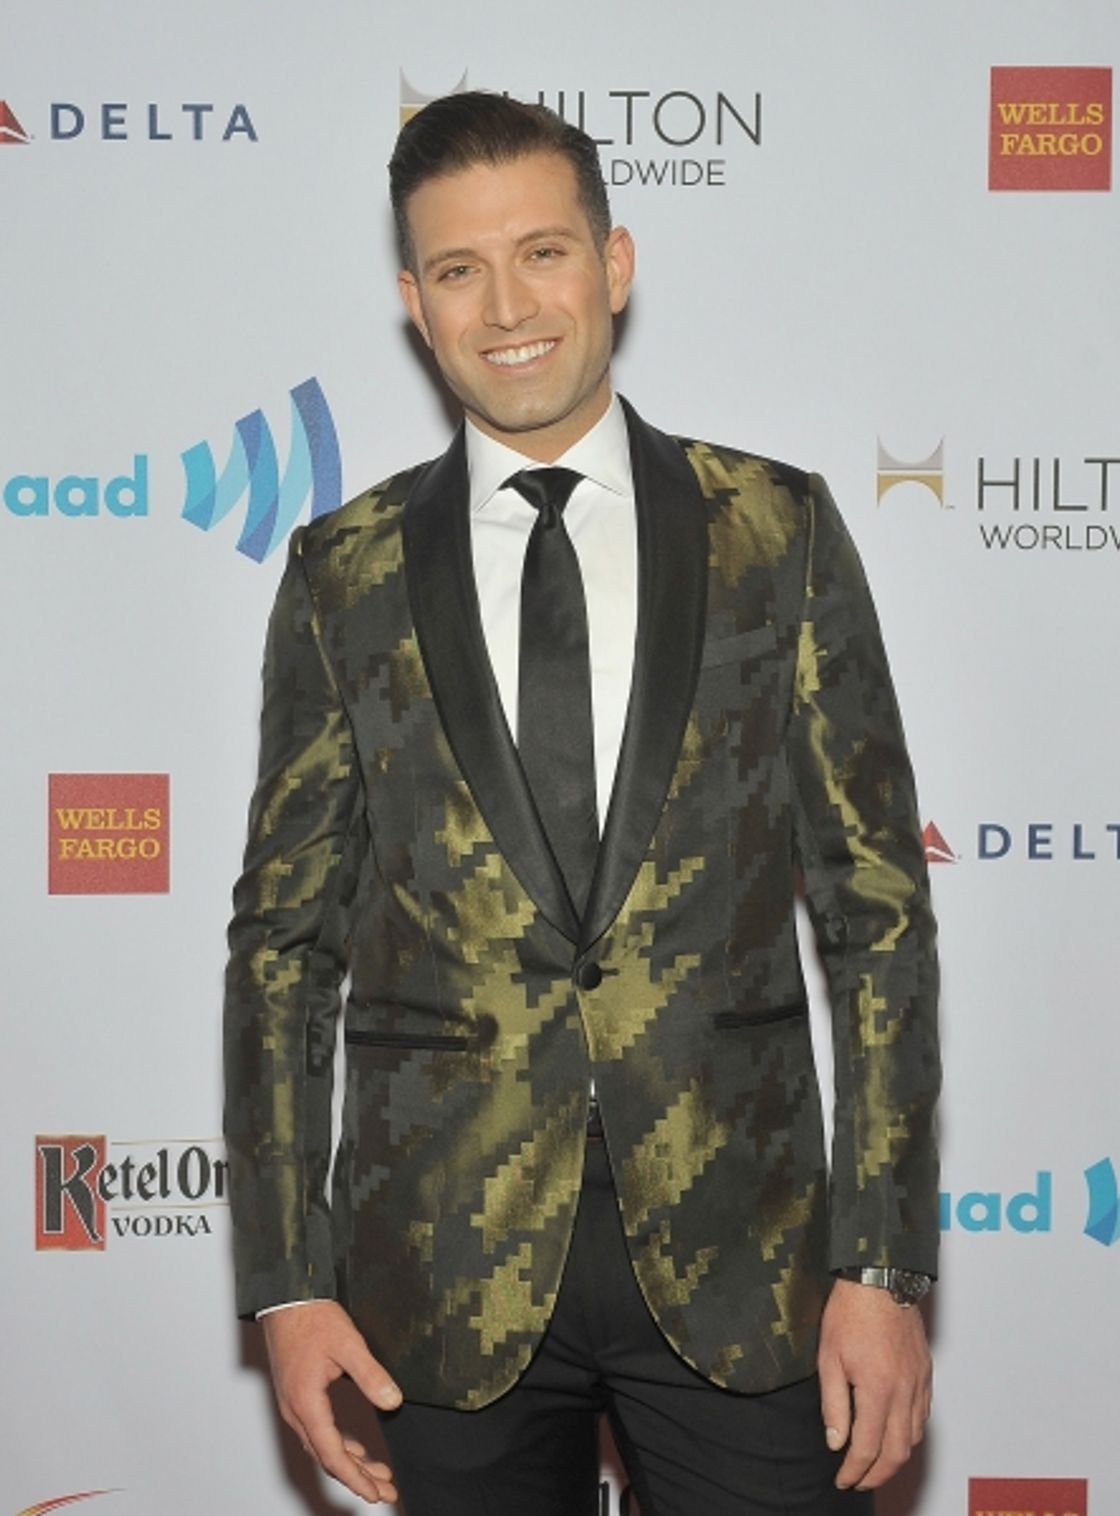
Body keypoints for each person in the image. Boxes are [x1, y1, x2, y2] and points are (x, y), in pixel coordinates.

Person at [224, 90, 940, 1516]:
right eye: (457, 269)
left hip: (751, 1259)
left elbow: (878, 918)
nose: (508, 306)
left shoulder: (775, 530)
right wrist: (286, 1285)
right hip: (438, 1270)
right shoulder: (339, 574)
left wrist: (886, 1266)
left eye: (543, 252)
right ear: (415, 305)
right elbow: (282, 949)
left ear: (615, 264)